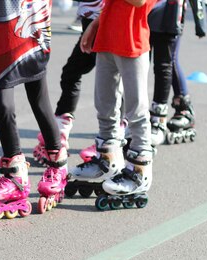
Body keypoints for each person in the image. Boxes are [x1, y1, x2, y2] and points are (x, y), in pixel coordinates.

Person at [0, 0, 69, 220]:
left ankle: (57, 161)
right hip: (0, 23)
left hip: (30, 19)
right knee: (4, 102)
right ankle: (14, 171)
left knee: (38, 97)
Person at [75, 0, 156, 211]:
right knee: (104, 105)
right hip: (107, 35)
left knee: (136, 110)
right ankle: (107, 159)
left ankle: (140, 172)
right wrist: (96, 24)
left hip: (132, 41)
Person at [33, 0, 103, 166]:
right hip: (91, 23)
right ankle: (61, 130)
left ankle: (112, 140)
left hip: (103, 24)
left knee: (109, 84)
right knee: (71, 73)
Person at [148, 0, 206, 146]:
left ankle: (160, 118)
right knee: (140, 65)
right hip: (143, 14)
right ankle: (131, 118)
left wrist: (200, 23)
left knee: (165, 64)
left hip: (169, 13)